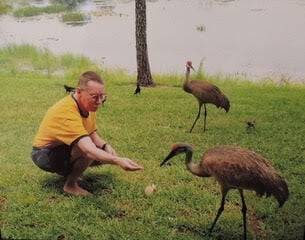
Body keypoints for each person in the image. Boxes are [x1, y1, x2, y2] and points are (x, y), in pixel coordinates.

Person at [31, 71, 143, 196]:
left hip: (62, 147)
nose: (99, 101)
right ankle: (70, 185)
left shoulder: (87, 105)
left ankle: (71, 172)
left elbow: (91, 133)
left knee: (100, 151)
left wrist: (105, 146)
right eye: (95, 97)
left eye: (102, 96)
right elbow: (89, 150)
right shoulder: (66, 112)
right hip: (43, 154)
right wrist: (117, 160)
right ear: (79, 92)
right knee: (89, 151)